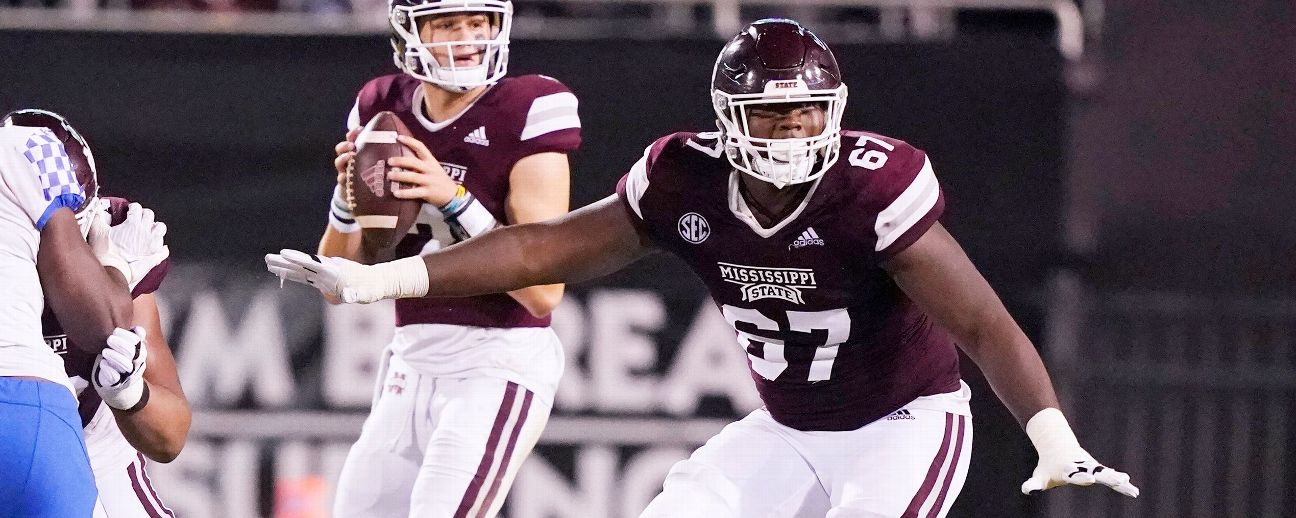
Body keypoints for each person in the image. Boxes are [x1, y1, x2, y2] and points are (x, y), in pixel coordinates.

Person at [269, 18, 1137, 518]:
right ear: (729, 118)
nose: (796, 131)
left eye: (808, 115)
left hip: (902, 426)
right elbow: (540, 247)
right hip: (789, 428)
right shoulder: (687, 178)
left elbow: (981, 323)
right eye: (774, 115)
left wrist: (1051, 433)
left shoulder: (873, 187)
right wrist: (381, 279)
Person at [314, 0, 581, 516]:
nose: (466, 38)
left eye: (477, 23)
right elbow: (336, 284)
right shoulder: (381, 105)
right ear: (409, 34)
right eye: (447, 25)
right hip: (410, 358)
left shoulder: (530, 106)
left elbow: (544, 292)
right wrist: (345, 201)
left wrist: (453, 199)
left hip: (498, 358)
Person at [11, 107, 191, 518]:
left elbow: (171, 436)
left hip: (95, 448)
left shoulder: (117, 237)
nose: (54, 242)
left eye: (66, 225)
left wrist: (131, 395)